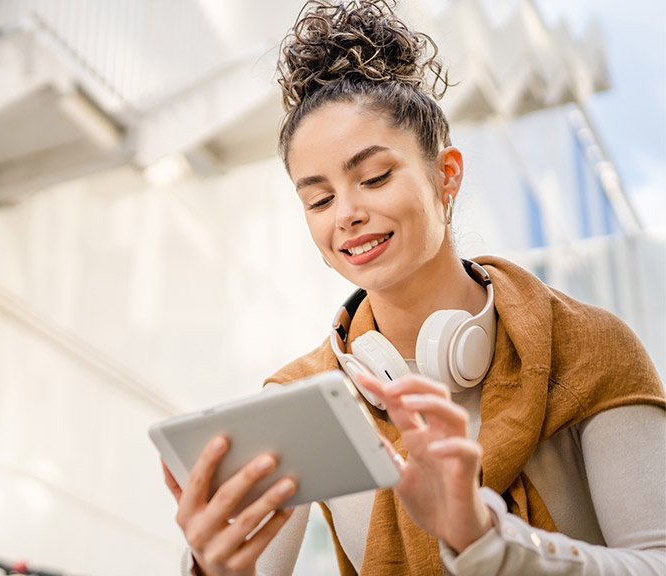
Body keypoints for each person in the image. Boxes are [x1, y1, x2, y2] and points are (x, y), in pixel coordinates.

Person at [159, 1, 666, 574]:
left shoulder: (593, 346)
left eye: (374, 178)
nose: (346, 214)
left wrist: (488, 543)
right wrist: (214, 569)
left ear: (445, 174)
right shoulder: (303, 397)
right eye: (319, 199)